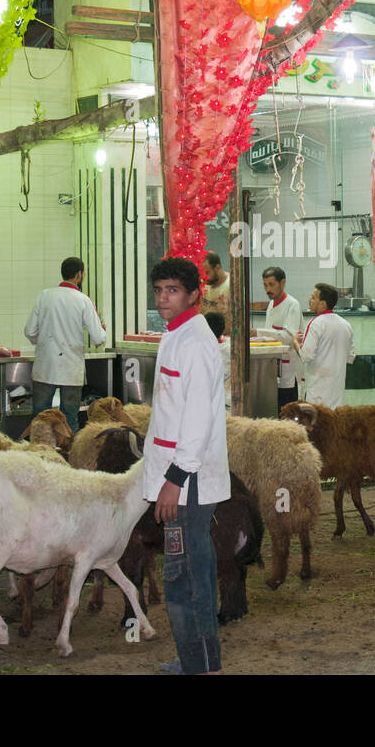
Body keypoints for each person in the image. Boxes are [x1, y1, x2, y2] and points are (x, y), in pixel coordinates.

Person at [143, 256, 230, 674]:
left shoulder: (195, 342)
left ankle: (202, 668)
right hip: (181, 473)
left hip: (187, 481)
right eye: (159, 290)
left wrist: (174, 480)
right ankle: (198, 661)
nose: (164, 298)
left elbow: (196, 418)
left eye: (173, 291)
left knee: (184, 578)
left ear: (194, 294)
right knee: (194, 570)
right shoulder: (176, 334)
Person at [23, 257, 106, 431]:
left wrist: (44, 342)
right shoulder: (84, 300)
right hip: (70, 369)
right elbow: (98, 338)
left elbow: (30, 331)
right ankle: (69, 455)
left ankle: (39, 454)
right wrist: (101, 328)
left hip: (45, 368)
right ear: (79, 274)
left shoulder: (44, 296)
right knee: (69, 419)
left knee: (40, 419)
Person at [294, 282, 355, 408]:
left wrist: (296, 343)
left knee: (316, 425)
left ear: (322, 303)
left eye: (313, 297)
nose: (309, 300)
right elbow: (350, 357)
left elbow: (306, 356)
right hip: (337, 393)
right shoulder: (346, 325)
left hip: (317, 392)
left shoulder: (316, 323)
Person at [252, 266, 303, 410]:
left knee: (288, 410)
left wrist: (259, 333)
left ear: (283, 282)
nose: (268, 289)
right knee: (275, 410)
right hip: (273, 367)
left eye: (271, 284)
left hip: (288, 368)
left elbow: (289, 337)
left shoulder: (292, 304)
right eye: (265, 285)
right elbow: (270, 334)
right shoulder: (271, 304)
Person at [204, 310, 231, 408]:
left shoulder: (201, 349)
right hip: (227, 401)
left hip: (208, 400)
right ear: (223, 329)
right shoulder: (230, 347)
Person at [201, 251, 230, 317]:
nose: (204, 277)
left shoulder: (232, 285)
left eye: (207, 272)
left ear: (217, 267)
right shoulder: (203, 284)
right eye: (202, 274)